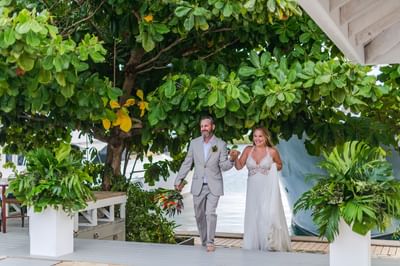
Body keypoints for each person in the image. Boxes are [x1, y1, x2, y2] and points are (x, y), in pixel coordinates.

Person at [174, 116, 238, 252]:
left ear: (212, 127)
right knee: (199, 215)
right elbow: (187, 163)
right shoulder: (194, 143)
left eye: (206, 126)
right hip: (198, 185)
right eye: (202, 126)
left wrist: (232, 160)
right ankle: (204, 241)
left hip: (214, 185)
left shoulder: (220, 144)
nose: (204, 128)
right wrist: (178, 180)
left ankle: (210, 241)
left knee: (210, 213)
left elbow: (223, 166)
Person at [232, 126, 291, 251]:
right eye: (255, 136)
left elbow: (280, 165)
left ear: (266, 137)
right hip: (253, 189)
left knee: (267, 214)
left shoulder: (272, 151)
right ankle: (254, 244)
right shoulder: (248, 150)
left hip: (267, 188)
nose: (257, 139)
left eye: (260, 136)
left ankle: (268, 243)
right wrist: (234, 158)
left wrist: (272, 166)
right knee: (254, 214)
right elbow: (239, 166)